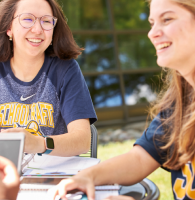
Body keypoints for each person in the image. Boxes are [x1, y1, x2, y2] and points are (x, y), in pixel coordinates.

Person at [48, 0, 195, 199]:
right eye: (152, 23)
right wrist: (88, 176)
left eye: (167, 19)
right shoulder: (180, 103)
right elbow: (141, 159)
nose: (152, 33)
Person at [0, 0, 97, 156]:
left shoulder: (66, 69)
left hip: (56, 175)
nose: (37, 29)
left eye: (46, 21)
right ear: (9, 28)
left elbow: (82, 141)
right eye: (27, 19)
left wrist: (39, 143)